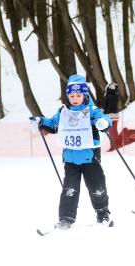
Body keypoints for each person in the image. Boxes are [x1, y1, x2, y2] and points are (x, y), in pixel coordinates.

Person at [30, 74, 113, 228]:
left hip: (90, 158)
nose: (75, 98)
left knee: (97, 187)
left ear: (84, 95)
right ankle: (66, 218)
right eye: (72, 95)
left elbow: (104, 119)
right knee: (70, 190)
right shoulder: (63, 111)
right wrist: (41, 122)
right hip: (70, 158)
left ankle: (102, 213)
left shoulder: (91, 110)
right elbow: (53, 125)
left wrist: (103, 123)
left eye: (78, 95)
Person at [102, 83, 120, 151]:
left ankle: (113, 146)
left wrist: (101, 114)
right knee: (114, 130)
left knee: (111, 131)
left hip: (109, 115)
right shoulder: (116, 95)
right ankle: (117, 144)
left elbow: (104, 106)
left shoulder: (107, 96)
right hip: (115, 115)